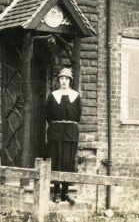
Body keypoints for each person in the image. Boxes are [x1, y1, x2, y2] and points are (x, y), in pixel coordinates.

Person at [45, 67, 81, 204]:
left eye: (66, 79)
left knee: (68, 161)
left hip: (70, 133)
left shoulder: (76, 96)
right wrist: (57, 126)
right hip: (56, 132)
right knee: (56, 160)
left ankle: (65, 193)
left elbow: (77, 116)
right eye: (61, 78)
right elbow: (48, 115)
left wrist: (67, 125)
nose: (64, 81)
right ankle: (56, 193)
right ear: (58, 80)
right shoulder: (52, 96)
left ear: (70, 80)